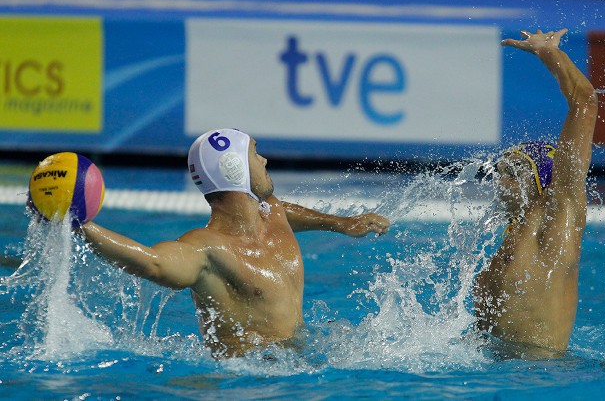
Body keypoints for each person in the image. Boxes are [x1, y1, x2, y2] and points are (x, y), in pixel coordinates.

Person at [81, 128, 390, 357]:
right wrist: (83, 227)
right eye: (254, 153)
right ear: (234, 167)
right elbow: (154, 263)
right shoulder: (207, 249)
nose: (264, 159)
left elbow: (286, 213)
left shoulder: (271, 213)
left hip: (298, 365)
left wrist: (342, 224)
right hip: (247, 383)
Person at [473, 28, 598, 357]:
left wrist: (549, 53)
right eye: (500, 173)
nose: (500, 183)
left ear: (543, 183)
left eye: (513, 174)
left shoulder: (559, 215)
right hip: (499, 378)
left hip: (542, 378)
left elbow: (585, 102)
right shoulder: (509, 237)